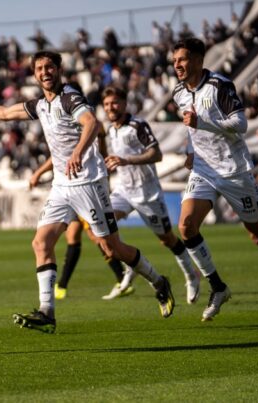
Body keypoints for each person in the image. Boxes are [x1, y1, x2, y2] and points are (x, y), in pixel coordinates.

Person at [0, 51, 175, 334]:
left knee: (112, 248)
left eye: (49, 67)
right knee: (40, 242)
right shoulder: (42, 105)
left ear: (59, 69)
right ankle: (47, 311)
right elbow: (5, 113)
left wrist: (77, 154)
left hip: (88, 183)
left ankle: (159, 282)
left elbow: (91, 123)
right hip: (62, 185)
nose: (45, 72)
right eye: (39, 68)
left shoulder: (70, 97)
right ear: (34, 74)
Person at [171, 38, 258, 326]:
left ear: (197, 59)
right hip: (204, 170)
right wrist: (190, 151)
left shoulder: (219, 85)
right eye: (174, 61)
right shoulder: (178, 93)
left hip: (235, 171)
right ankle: (218, 287)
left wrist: (202, 124)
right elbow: (190, 127)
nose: (177, 65)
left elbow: (241, 124)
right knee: (186, 226)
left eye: (182, 60)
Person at [101, 86, 201, 304]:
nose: (111, 107)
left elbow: (156, 154)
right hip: (124, 191)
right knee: (103, 225)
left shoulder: (137, 125)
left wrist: (127, 160)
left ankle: (191, 276)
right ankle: (132, 265)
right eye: (107, 104)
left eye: (115, 102)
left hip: (148, 194)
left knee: (167, 239)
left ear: (124, 104)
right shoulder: (111, 130)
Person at [29, 156, 134, 301]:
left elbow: (62, 155)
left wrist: (38, 173)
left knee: (99, 238)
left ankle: (124, 275)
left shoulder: (84, 137)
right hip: (69, 187)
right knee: (72, 236)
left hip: (83, 187)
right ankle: (62, 285)